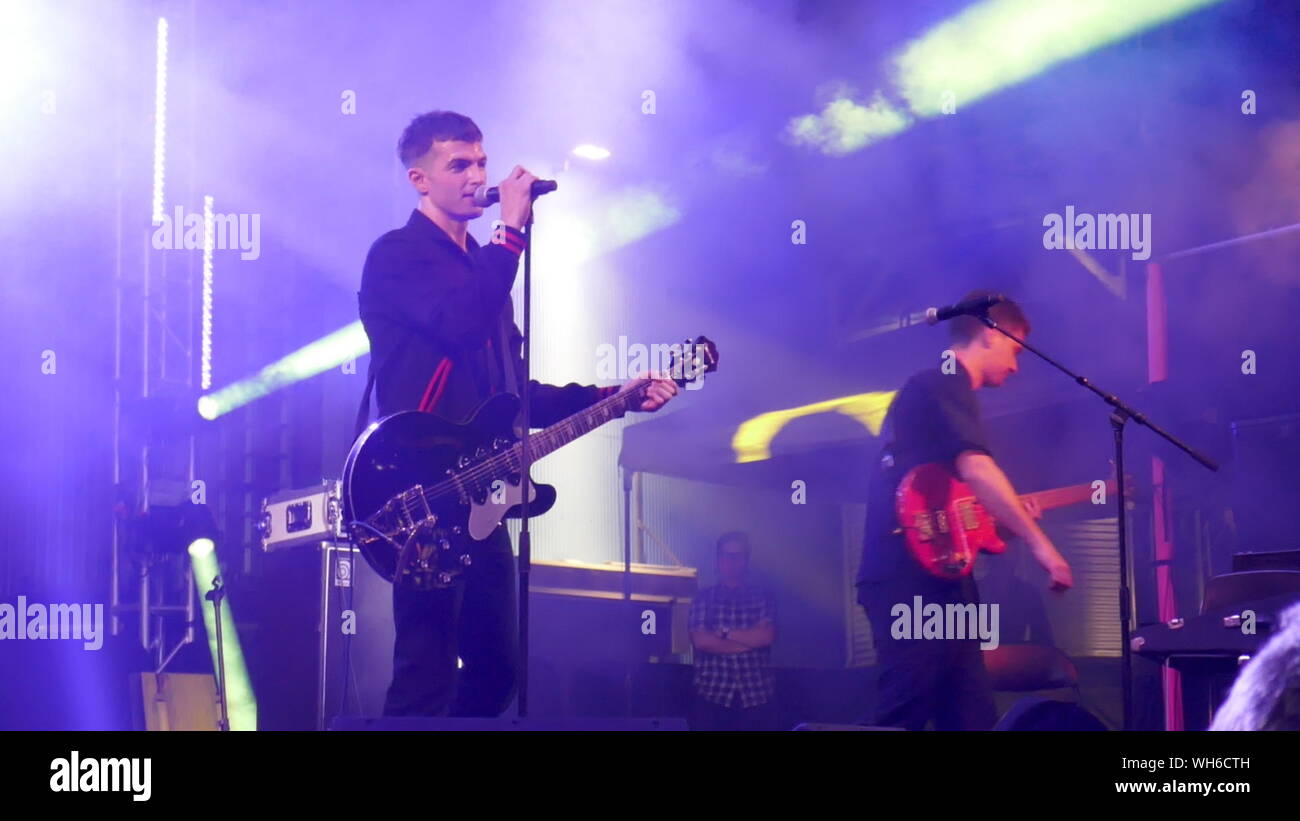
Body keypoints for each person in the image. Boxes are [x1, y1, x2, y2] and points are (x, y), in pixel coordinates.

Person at [357, 110, 678, 717]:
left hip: (481, 497)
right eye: (459, 165)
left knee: (497, 667)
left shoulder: (485, 267)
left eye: (481, 161)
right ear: (419, 180)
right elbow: (458, 325)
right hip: (421, 490)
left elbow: (516, 395)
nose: (478, 175)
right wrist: (510, 233)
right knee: (425, 665)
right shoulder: (398, 256)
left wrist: (615, 396)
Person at [855, 290, 1073, 730]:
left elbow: (950, 510)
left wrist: (1002, 526)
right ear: (990, 334)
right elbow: (975, 466)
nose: (1016, 365)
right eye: (1015, 349)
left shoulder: (940, 398)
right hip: (908, 579)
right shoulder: (940, 382)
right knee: (904, 709)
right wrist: (1043, 548)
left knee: (969, 713)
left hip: (945, 579)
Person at [688, 531, 778, 730]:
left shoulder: (762, 596)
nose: (731, 561)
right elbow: (702, 641)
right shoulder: (704, 597)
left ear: (746, 560)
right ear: (718, 559)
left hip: (757, 696)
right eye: (726, 555)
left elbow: (766, 636)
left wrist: (726, 633)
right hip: (713, 696)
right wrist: (749, 641)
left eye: (737, 556)